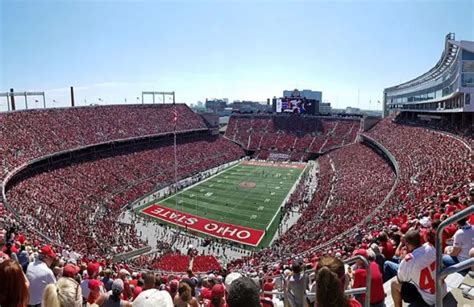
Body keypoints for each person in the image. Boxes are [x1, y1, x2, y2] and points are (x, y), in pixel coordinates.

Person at [390, 229, 445, 307]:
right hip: (442, 291)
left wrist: (403, 259)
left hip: (429, 300)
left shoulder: (409, 260)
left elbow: (400, 279)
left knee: (394, 283)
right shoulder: (430, 246)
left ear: (407, 243)